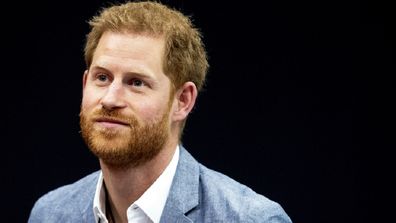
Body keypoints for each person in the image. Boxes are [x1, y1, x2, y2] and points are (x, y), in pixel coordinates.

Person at [28, 1, 292, 222]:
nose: (110, 99)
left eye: (136, 83)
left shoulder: (250, 219)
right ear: (85, 84)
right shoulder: (50, 213)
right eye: (102, 78)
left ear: (183, 101)